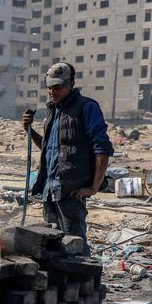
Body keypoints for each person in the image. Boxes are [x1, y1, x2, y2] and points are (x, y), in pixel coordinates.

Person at [22, 62, 114, 244]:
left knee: (74, 246)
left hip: (71, 193)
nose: (52, 92)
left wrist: (94, 187)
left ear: (71, 84)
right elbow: (49, 149)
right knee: (50, 246)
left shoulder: (86, 107)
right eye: (49, 87)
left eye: (58, 87)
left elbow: (102, 150)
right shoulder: (53, 111)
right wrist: (29, 130)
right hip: (49, 191)